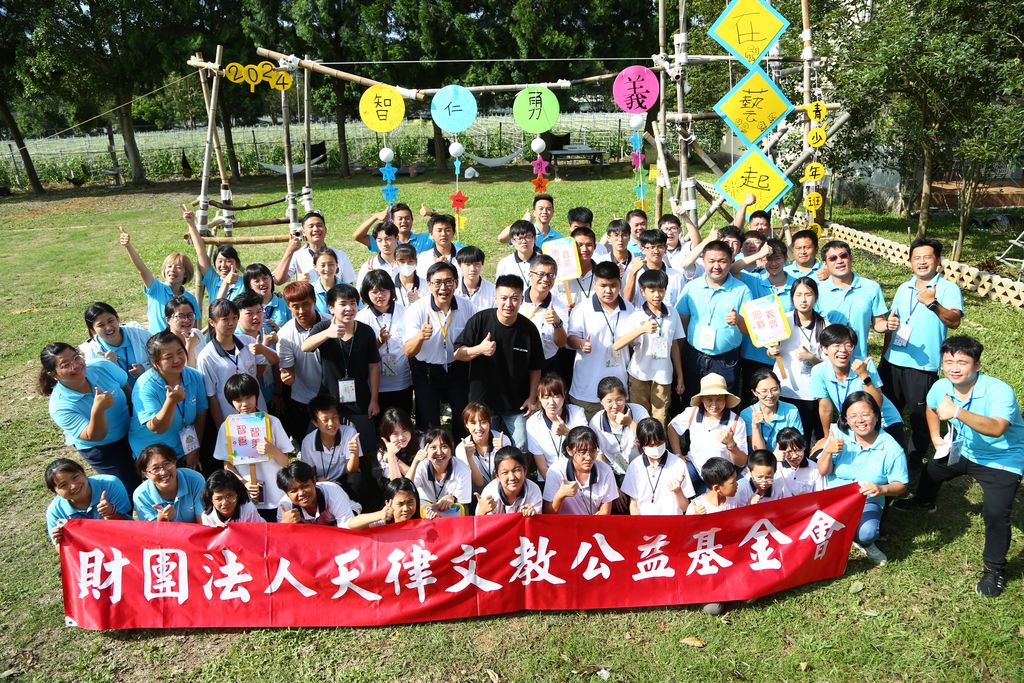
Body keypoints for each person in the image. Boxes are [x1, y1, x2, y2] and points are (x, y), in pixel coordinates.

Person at [894, 335, 1024, 597]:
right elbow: (932, 408)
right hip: (963, 449)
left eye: (962, 363)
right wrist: (936, 437)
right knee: (932, 472)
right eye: (948, 362)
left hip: (1001, 459)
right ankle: (924, 502)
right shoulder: (942, 386)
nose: (954, 368)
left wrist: (956, 412)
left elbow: (997, 428)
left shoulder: (999, 391)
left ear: (977, 365)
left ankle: (994, 570)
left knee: (995, 514)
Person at [879, 237, 964, 478]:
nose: (922, 262)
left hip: (923, 367)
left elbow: (954, 321)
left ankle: (914, 464)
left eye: (927, 257)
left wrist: (932, 303)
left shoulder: (948, 289)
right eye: (917, 258)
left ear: (938, 261)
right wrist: (885, 353)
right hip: (892, 362)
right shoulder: (903, 288)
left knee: (920, 418)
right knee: (887, 414)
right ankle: (889, 458)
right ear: (910, 262)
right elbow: (894, 321)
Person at [302, 283, 382, 507]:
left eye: (353, 303)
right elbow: (305, 347)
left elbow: (374, 367)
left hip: (360, 399)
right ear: (331, 307)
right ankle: (316, 495)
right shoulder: (323, 327)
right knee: (312, 441)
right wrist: (327, 334)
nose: (349, 308)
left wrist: (374, 400)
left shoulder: (365, 331)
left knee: (367, 450)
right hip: (328, 400)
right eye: (343, 304)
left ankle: (370, 501)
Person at [816, 392, 908, 566]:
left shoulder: (891, 447)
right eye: (853, 416)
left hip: (866, 501)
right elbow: (822, 471)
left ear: (876, 415)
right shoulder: (838, 434)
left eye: (866, 414)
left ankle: (863, 542)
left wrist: (881, 489)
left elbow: (901, 485)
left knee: (867, 533)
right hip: (832, 499)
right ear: (846, 419)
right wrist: (827, 451)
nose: (860, 420)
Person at [454, 274, 544, 450]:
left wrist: (532, 397)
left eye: (514, 298)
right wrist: (479, 349)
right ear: (495, 297)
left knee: (522, 444)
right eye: (503, 298)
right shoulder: (480, 321)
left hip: (517, 403)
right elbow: (458, 353)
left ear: (521, 300)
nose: (508, 304)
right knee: (485, 447)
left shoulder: (529, 329)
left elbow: (536, 367)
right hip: (483, 401)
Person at [41, 343, 140, 493]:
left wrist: (136, 419)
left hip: (132, 430)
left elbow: (126, 388)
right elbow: (95, 436)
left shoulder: (102, 366)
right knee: (128, 488)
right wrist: (98, 410)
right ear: (53, 375)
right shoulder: (59, 406)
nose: (75, 366)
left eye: (76, 358)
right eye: (65, 365)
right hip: (103, 448)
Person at [403, 261, 476, 436]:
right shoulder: (417, 310)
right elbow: (408, 351)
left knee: (463, 419)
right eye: (437, 282)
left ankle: (462, 450)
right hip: (426, 372)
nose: (443, 287)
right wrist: (420, 336)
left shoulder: (467, 307)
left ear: (456, 283)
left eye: (449, 281)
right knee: (429, 423)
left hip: (458, 369)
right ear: (429, 285)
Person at [676, 239, 752, 399]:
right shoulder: (691, 287)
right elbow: (682, 321)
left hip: (726, 360)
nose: (716, 266)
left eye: (722, 261)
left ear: (731, 261)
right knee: (692, 401)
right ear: (703, 261)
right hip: (694, 356)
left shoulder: (742, 290)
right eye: (711, 261)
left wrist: (739, 320)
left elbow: (749, 330)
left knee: (724, 403)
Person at [212, 373, 293, 521]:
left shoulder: (272, 422)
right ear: (231, 402)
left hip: (277, 493)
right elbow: (227, 464)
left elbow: (286, 462)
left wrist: (272, 450)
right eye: (238, 400)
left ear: (256, 395)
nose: (244, 404)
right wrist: (245, 483)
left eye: (248, 397)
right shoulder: (227, 427)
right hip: (248, 497)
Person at [811, 324, 905, 450]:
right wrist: (827, 436)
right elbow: (825, 407)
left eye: (848, 345)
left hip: (884, 422)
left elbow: (877, 403)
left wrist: (864, 375)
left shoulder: (865, 365)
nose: (843, 350)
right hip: (855, 423)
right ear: (825, 348)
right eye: (836, 345)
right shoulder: (819, 371)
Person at [615, 268, 686, 423]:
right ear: (642, 291)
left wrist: (680, 376)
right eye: (652, 290)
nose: (657, 295)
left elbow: (674, 346)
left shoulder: (672, 313)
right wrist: (642, 329)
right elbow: (617, 345)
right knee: (639, 416)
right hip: (639, 374)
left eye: (661, 290)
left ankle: (659, 440)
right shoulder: (636, 316)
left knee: (660, 418)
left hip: (663, 375)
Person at [129, 331, 208, 467]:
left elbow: (201, 414)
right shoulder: (145, 387)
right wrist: (171, 402)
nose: (177, 360)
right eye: (168, 357)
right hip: (153, 456)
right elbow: (157, 428)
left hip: (184, 448)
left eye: (180, 352)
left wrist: (194, 449)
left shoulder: (195, 376)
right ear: (155, 363)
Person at [566, 261, 635, 418]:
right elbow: (570, 338)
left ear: (620, 284)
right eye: (603, 285)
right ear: (595, 284)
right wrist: (581, 343)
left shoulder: (629, 309)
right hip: (587, 389)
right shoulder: (582, 309)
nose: (608, 291)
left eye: (613, 285)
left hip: (618, 390)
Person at [765, 277, 827, 446]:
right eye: (798, 295)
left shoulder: (825, 325)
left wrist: (811, 358)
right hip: (784, 389)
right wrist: (771, 352)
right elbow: (770, 350)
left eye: (808, 294)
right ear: (792, 297)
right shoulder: (782, 320)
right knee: (782, 439)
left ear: (816, 297)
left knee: (803, 440)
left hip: (811, 393)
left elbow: (829, 366)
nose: (803, 299)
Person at [733, 238, 797, 394]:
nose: (773, 263)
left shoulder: (796, 284)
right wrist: (758, 254)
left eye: (778, 258)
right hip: (754, 355)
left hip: (786, 354)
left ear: (785, 258)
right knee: (754, 398)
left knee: (782, 396)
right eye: (768, 258)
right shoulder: (754, 280)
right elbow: (732, 270)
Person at [668, 373, 748, 491]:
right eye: (709, 399)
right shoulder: (692, 413)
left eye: (719, 399)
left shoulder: (737, 422)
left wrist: (731, 444)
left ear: (725, 399)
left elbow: (741, 462)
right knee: (672, 481)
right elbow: (672, 427)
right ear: (702, 399)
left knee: (707, 500)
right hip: (694, 467)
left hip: (719, 475)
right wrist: (678, 454)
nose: (714, 405)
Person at [197, 298, 267, 428]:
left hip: (258, 411)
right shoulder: (206, 357)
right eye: (225, 319)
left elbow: (262, 363)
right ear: (212, 322)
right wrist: (221, 427)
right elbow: (211, 396)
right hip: (231, 418)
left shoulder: (248, 341)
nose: (231, 323)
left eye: (234, 318)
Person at [118, 226, 200, 334]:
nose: (172, 270)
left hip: (181, 344)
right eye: (169, 266)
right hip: (157, 342)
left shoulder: (190, 299)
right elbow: (142, 270)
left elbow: (194, 328)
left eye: (178, 267)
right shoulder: (156, 289)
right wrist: (128, 246)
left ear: (186, 273)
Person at [816, 240, 888, 360]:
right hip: (828, 361)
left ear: (851, 258)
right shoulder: (818, 292)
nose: (839, 261)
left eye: (843, 256)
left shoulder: (871, 288)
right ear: (825, 264)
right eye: (833, 258)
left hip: (859, 359)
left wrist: (888, 325)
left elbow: (878, 322)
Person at [356, 269, 413, 418]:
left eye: (383, 290)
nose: (380, 295)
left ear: (391, 290)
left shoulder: (405, 312)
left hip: (402, 381)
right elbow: (361, 353)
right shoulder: (361, 318)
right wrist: (379, 342)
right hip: (375, 385)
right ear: (366, 293)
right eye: (374, 292)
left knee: (402, 420)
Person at [44, 458, 131, 547]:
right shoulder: (55, 511)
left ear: (83, 473)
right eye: (63, 485)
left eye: (75, 477)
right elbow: (61, 549)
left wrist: (111, 514)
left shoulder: (110, 484)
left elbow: (131, 527)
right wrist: (61, 541)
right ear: (54, 491)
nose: (73, 486)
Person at [277, 281, 325, 440]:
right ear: (288, 306)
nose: (301, 310)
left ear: (314, 301)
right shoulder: (285, 334)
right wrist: (287, 377)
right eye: (295, 306)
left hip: (333, 395)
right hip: (303, 399)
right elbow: (288, 370)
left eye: (306, 304)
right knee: (306, 442)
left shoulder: (331, 323)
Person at [621, 418, 693, 515]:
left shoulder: (678, 464)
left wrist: (678, 491)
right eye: (651, 445)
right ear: (639, 443)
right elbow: (634, 504)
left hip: (671, 521)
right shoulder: (635, 466)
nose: (656, 448)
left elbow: (685, 507)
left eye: (659, 443)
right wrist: (638, 523)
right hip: (645, 522)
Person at [525, 373, 588, 482]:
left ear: (564, 395)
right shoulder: (533, 423)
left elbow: (587, 444)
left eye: (556, 396)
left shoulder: (577, 412)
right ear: (539, 398)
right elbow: (541, 465)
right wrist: (555, 486)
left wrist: (567, 432)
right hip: (549, 477)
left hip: (578, 473)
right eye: (546, 397)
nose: (551, 402)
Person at [543, 426, 619, 515]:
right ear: (569, 450)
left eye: (593, 451)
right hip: (565, 523)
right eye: (582, 452)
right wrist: (560, 495)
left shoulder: (606, 471)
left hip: (594, 523)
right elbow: (547, 513)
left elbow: (605, 511)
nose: (588, 457)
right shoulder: (556, 471)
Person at [297, 394, 361, 494]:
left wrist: (354, 454)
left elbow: (351, 471)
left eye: (334, 417)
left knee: (356, 479)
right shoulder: (308, 442)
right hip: (321, 482)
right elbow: (310, 474)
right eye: (325, 420)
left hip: (343, 480)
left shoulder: (349, 432)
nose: (331, 423)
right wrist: (319, 483)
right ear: (315, 422)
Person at [182, 203, 245, 305]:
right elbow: (200, 251)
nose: (223, 265)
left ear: (237, 263)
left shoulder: (245, 283)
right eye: (220, 261)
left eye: (228, 261)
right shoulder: (213, 280)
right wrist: (191, 224)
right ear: (214, 263)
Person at [588, 376, 650, 480]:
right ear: (601, 401)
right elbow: (598, 455)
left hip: (642, 468)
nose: (615, 406)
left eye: (619, 400)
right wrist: (610, 481)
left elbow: (652, 438)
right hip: (613, 473)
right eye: (609, 401)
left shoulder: (639, 411)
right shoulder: (595, 422)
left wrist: (630, 423)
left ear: (625, 397)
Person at [273, 209, 355, 285]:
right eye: (311, 226)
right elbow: (278, 280)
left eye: (319, 225)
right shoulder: (298, 256)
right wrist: (289, 251)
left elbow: (349, 285)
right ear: (303, 232)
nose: (315, 229)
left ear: (325, 229)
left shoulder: (340, 255)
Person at [520, 254, 569, 375]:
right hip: (519, 362)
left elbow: (561, 343)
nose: (546, 279)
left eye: (550, 275)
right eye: (541, 274)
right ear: (530, 275)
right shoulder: (517, 301)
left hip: (547, 364)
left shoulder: (559, 307)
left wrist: (557, 323)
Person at [132, 443, 205, 522]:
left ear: (174, 462)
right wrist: (162, 520)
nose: (163, 472)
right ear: (146, 474)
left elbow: (203, 521)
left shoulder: (195, 480)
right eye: (155, 469)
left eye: (166, 464)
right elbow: (151, 529)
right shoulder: (141, 496)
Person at [80, 302, 150, 385]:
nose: (108, 328)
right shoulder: (91, 353)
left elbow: (160, 359)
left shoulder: (140, 334)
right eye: (101, 325)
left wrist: (145, 368)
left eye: (110, 321)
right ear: (92, 330)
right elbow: (98, 383)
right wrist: (108, 365)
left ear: (117, 319)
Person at [740, 368, 804, 453]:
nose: (770, 395)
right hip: (759, 459)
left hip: (786, 456)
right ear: (754, 392)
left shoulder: (791, 410)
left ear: (780, 388)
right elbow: (759, 452)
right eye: (764, 391)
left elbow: (796, 444)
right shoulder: (747, 414)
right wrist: (755, 426)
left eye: (774, 389)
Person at [234, 290, 280, 406]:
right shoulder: (234, 340)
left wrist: (278, 393)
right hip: (248, 403)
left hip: (271, 394)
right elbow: (254, 376)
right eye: (249, 313)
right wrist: (264, 347)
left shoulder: (267, 330)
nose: (256, 317)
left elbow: (276, 363)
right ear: (237, 317)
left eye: (259, 311)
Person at [277, 460, 358, 526]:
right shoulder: (284, 505)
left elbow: (346, 525)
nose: (301, 493)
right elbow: (280, 536)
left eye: (305, 486)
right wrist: (284, 525)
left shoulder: (332, 492)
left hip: (344, 518)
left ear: (314, 481)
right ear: (287, 493)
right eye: (294, 491)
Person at [412, 428, 472, 515]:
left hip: (451, 510)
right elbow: (406, 489)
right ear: (426, 449)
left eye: (444, 446)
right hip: (425, 507)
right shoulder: (422, 466)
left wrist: (453, 498)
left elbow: (463, 506)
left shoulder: (463, 470)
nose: (439, 452)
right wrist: (415, 462)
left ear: (451, 447)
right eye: (433, 447)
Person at [454, 402, 512, 493]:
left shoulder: (503, 440)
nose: (479, 428)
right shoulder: (461, 448)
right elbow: (479, 483)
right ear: (466, 424)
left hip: (503, 488)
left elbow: (509, 475)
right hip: (478, 492)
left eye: (483, 422)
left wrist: (502, 452)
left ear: (490, 421)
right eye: (473, 423)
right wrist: (469, 457)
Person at [622, 229, 686, 308]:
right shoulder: (635, 273)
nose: (656, 251)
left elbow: (681, 306)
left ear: (665, 248)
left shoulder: (676, 276)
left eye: (660, 247)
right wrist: (633, 273)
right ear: (642, 249)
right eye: (652, 247)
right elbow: (626, 301)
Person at [475, 446, 543, 516]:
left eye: (516, 470)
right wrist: (482, 511)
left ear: (525, 471)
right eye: (505, 472)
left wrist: (533, 515)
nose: (512, 477)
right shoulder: (490, 494)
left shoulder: (533, 491)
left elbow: (538, 521)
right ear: (497, 476)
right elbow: (479, 521)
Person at [347, 477, 436, 528]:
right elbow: (351, 524)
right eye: (400, 504)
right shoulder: (382, 523)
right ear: (388, 503)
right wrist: (380, 515)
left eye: (410, 503)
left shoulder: (423, 520)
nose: (405, 509)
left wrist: (432, 522)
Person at [353, 203, 434, 254]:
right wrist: (375, 217)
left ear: (412, 220)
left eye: (407, 218)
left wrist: (432, 213)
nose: (404, 221)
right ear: (392, 221)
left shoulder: (426, 239)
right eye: (400, 219)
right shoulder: (386, 242)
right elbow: (358, 236)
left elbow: (441, 228)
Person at [199, 469, 265, 526]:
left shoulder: (249, 510)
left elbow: (257, 533)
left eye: (229, 496)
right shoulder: (207, 517)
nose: (225, 503)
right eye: (218, 498)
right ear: (211, 499)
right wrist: (216, 532)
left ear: (237, 495)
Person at [243, 262, 291, 336]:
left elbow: (293, 331)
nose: (262, 283)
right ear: (249, 285)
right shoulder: (245, 307)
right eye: (257, 281)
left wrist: (279, 330)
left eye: (265, 278)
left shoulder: (284, 303)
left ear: (271, 279)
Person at [375, 407, 421, 482]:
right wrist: (391, 455)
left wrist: (396, 459)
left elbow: (419, 478)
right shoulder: (382, 453)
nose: (401, 437)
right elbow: (396, 483)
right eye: (395, 434)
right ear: (387, 436)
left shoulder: (421, 440)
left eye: (404, 431)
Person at [773, 427, 823, 495]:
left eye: (798, 450)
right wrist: (772, 459)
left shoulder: (814, 467)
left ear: (804, 446)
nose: (794, 456)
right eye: (789, 452)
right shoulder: (775, 467)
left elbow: (820, 495)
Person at [415, 213, 463, 280]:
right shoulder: (424, 257)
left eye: (447, 230)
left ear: (453, 232)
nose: (443, 234)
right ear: (431, 234)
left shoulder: (463, 255)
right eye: (439, 230)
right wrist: (435, 268)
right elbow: (422, 282)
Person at [355, 220, 400, 291]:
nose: (384, 244)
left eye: (388, 239)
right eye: (380, 240)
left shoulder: (407, 262)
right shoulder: (369, 266)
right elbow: (359, 295)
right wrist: (368, 280)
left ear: (397, 238)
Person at [163, 296, 205, 368]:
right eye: (181, 316)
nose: (187, 320)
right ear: (168, 320)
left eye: (190, 315)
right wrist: (190, 347)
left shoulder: (197, 333)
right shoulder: (165, 344)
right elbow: (186, 373)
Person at [455, 245, 496, 310]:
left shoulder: (493, 291)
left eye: (477, 264)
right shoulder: (453, 289)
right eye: (468, 264)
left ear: (482, 264)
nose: (472, 269)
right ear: (459, 265)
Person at [311, 245, 344, 318]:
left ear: (337, 265)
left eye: (331, 264)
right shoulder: (310, 290)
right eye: (322, 265)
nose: (327, 269)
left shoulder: (348, 289)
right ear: (315, 267)